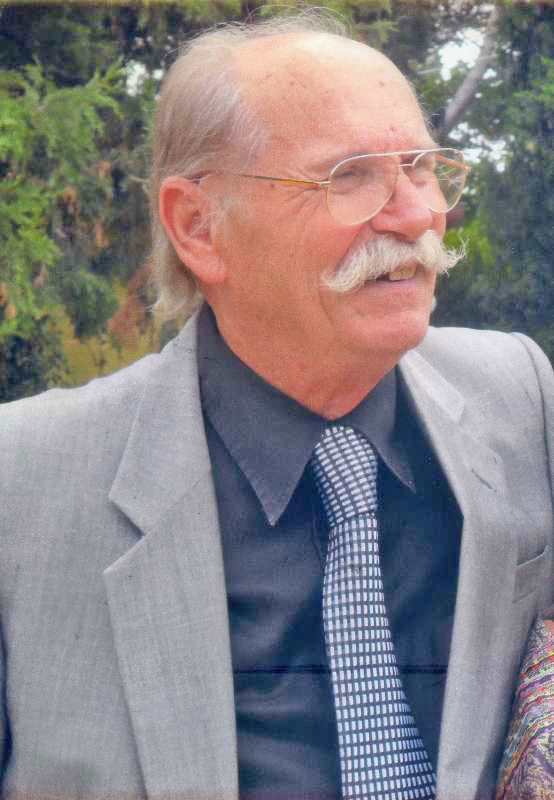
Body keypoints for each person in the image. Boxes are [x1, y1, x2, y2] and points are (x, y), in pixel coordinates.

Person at [1, 11, 552, 800]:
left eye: (421, 167)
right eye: (350, 177)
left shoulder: (520, 397)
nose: (414, 215)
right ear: (198, 227)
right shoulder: (22, 484)